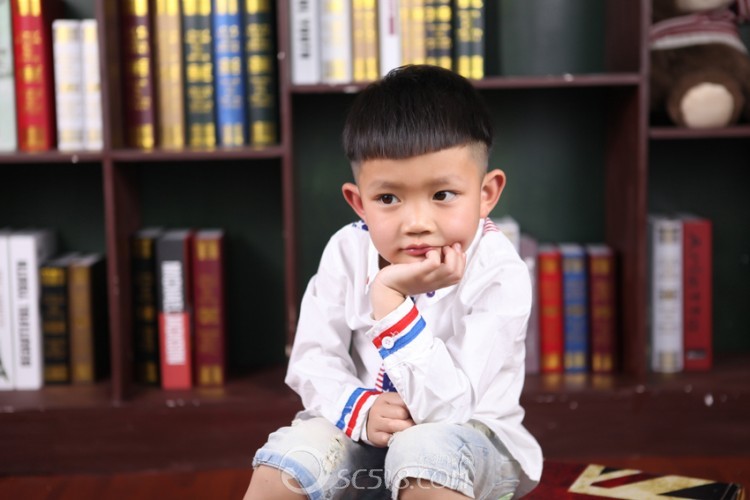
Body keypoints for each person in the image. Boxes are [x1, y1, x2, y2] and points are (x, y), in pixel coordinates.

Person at [244, 64, 542, 500]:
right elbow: (312, 359)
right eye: (388, 198)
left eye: (443, 195)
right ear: (358, 203)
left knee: (423, 449)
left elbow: (448, 409)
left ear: (486, 194)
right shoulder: (347, 250)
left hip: (475, 445)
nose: (417, 222)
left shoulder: (500, 272)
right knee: (292, 455)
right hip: (368, 435)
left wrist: (390, 300)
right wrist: (360, 408)